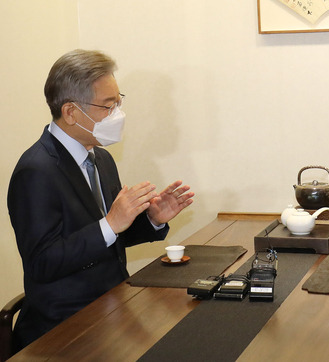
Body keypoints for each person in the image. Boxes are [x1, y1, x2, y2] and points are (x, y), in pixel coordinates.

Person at [7, 49, 195, 351]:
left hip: (114, 306)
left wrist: (151, 219)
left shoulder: (102, 159)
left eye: (118, 103)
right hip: (64, 327)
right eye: (108, 107)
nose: (117, 115)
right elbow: (42, 263)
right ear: (70, 112)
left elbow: (110, 239)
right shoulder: (36, 170)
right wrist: (110, 223)